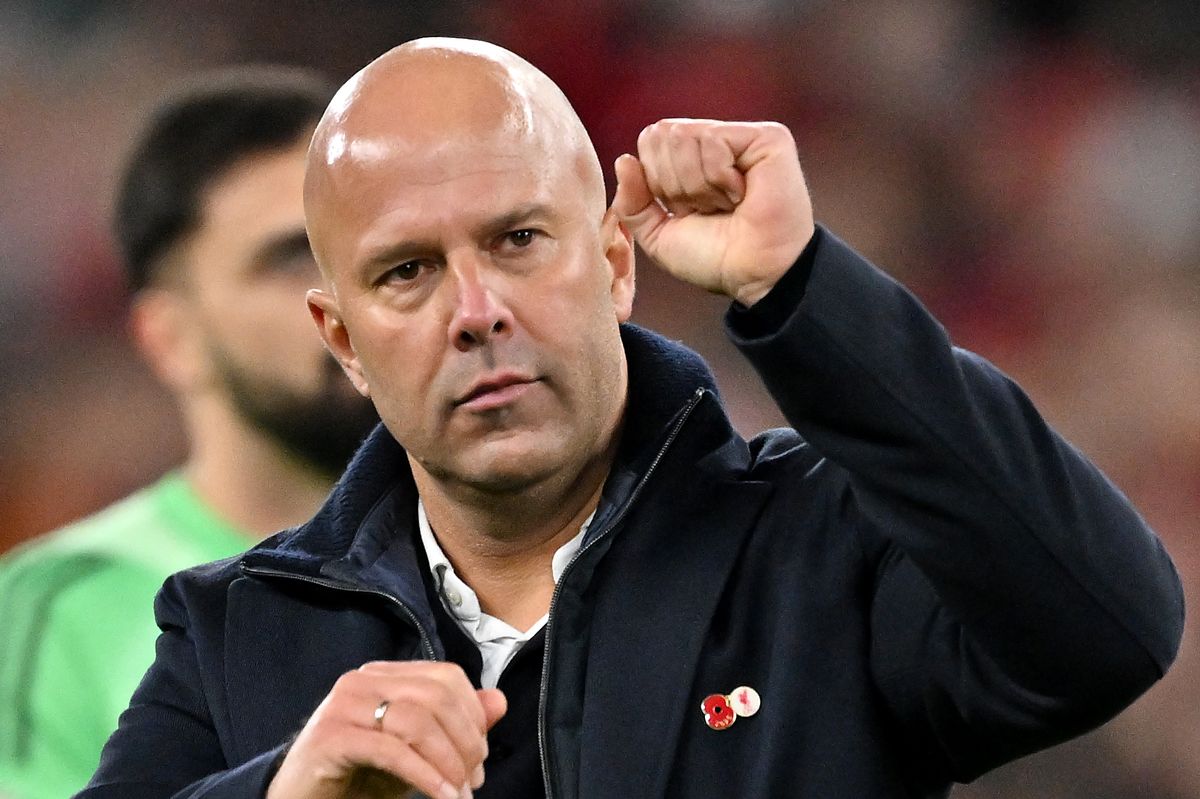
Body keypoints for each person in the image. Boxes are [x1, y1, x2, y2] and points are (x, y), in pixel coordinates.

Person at [80, 38, 1184, 799]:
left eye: (518, 240)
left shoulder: (820, 542)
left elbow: (1107, 627)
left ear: (614, 262)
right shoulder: (238, 632)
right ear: (342, 342)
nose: (477, 313)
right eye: (409, 271)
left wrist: (803, 292)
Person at [0, 68, 379, 799]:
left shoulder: (493, 553)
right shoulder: (68, 606)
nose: (342, 290)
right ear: (171, 338)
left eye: (357, 243)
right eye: (288, 256)